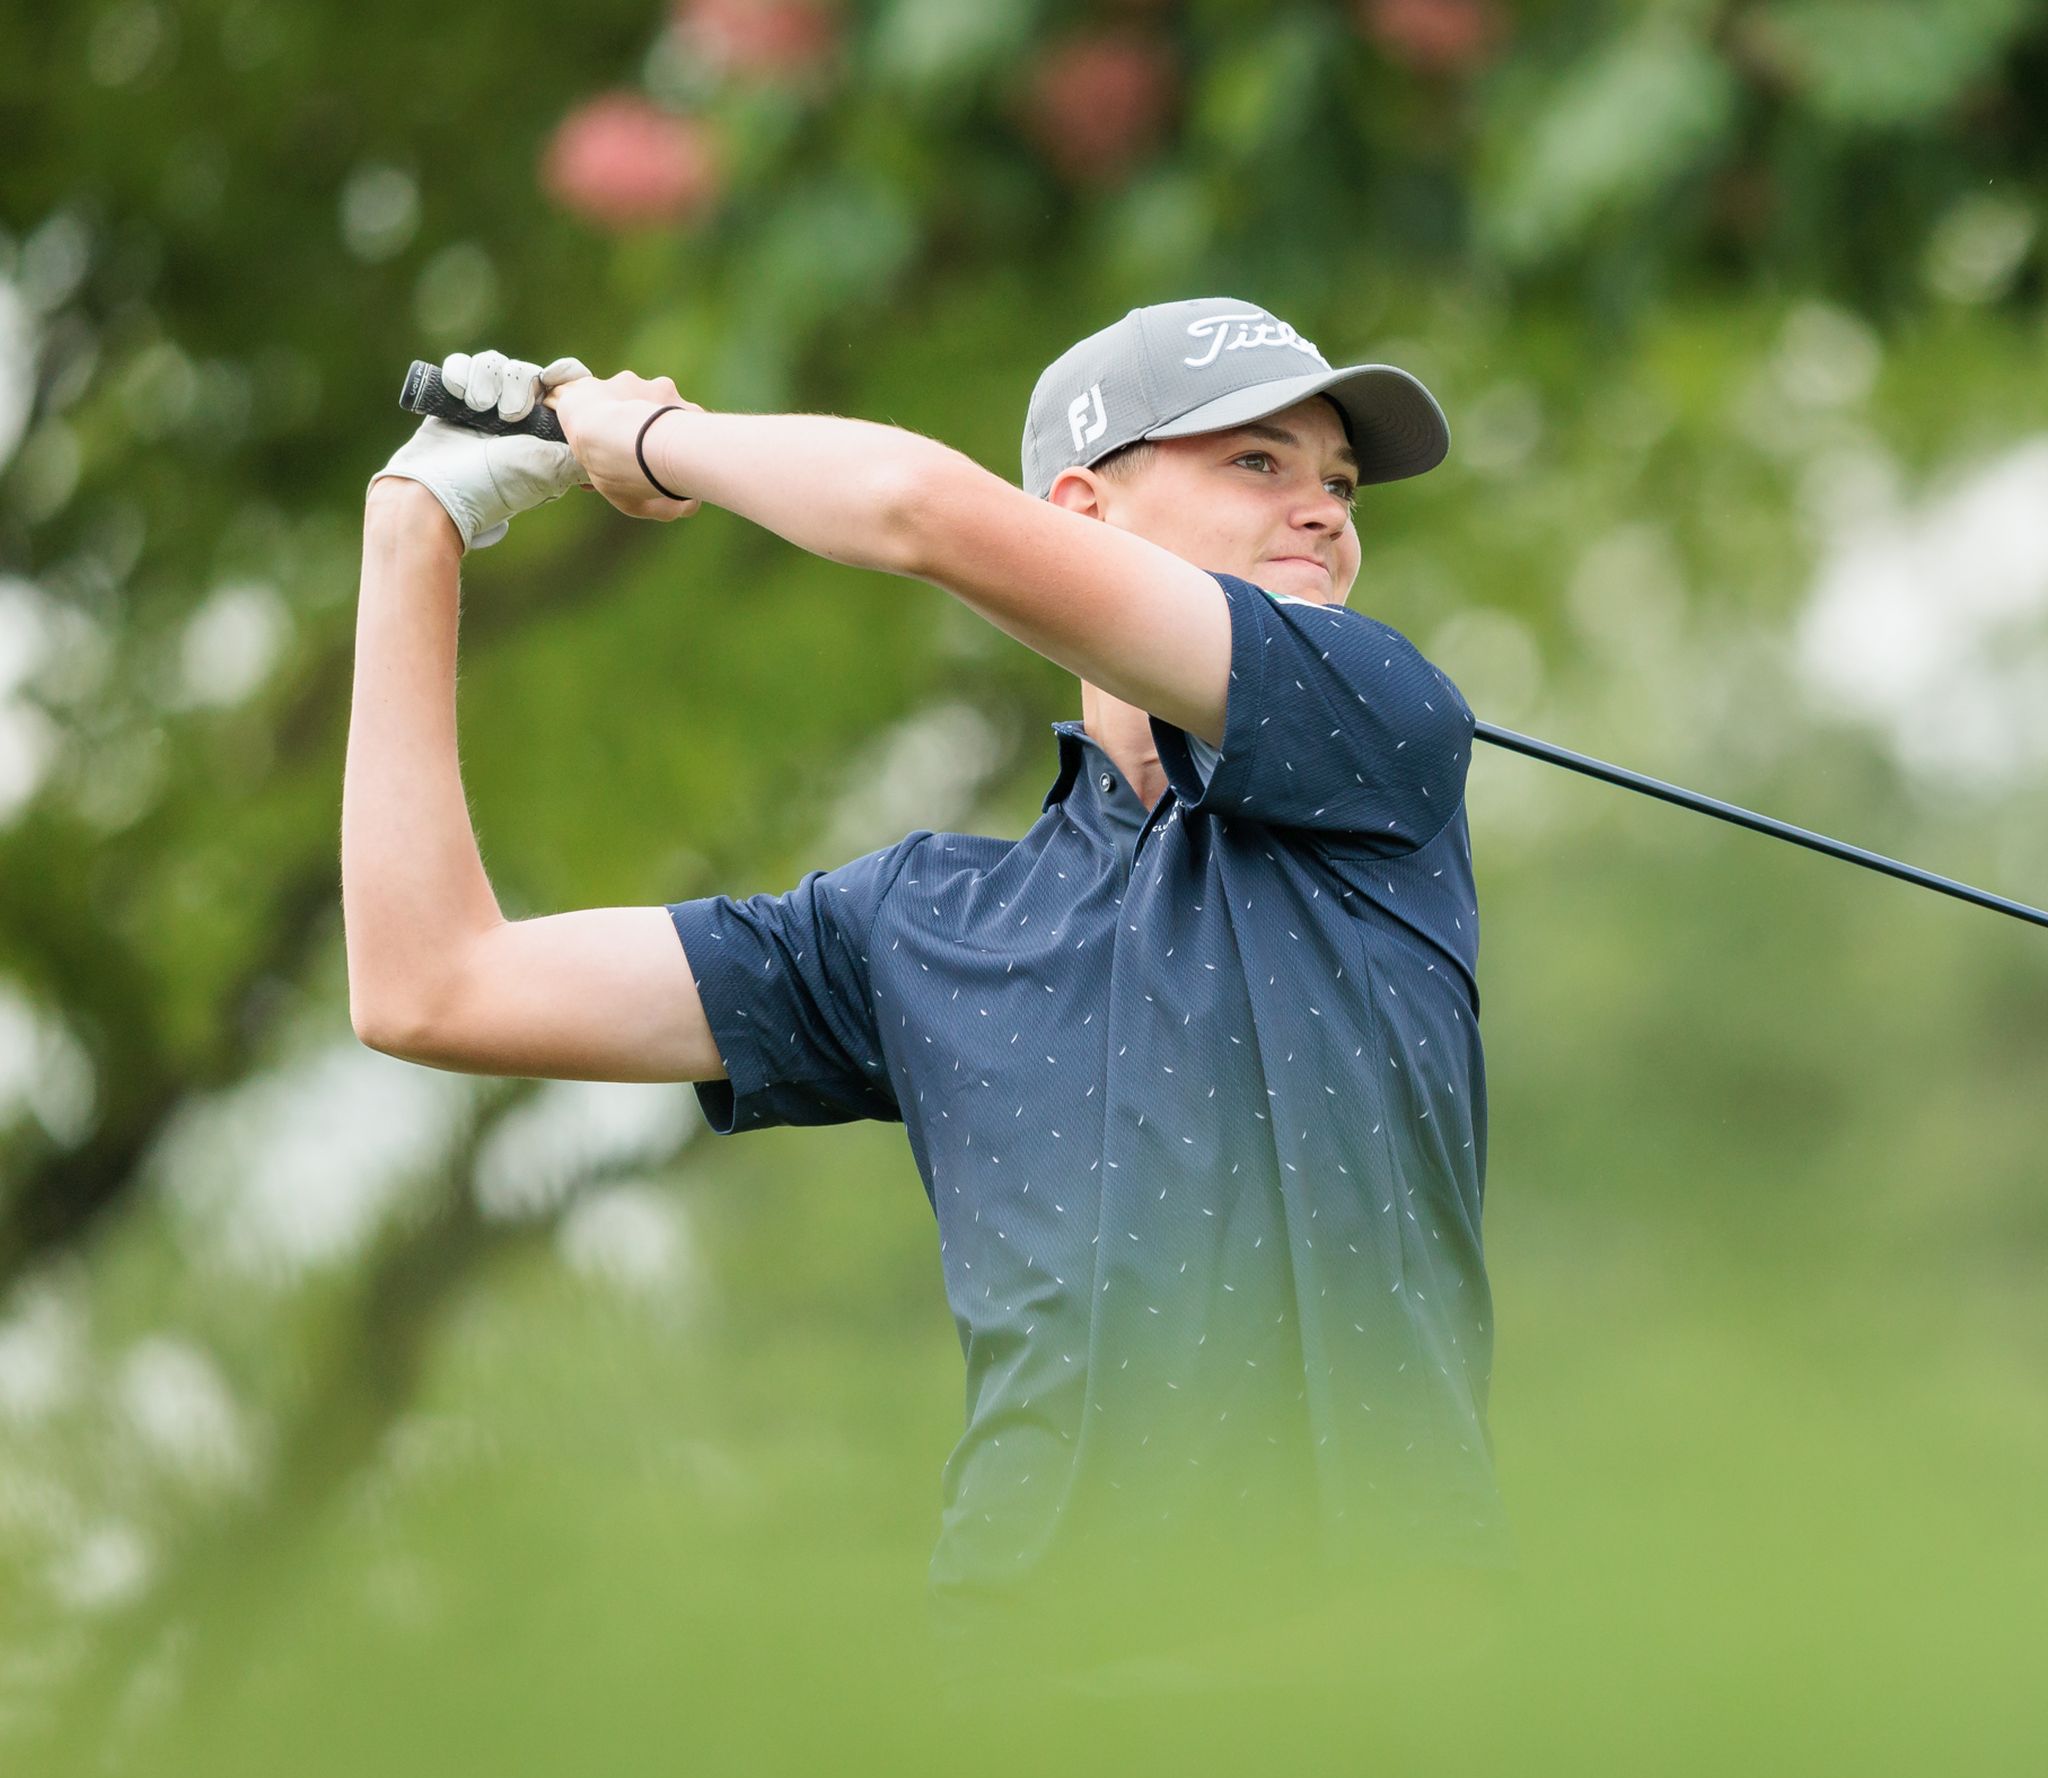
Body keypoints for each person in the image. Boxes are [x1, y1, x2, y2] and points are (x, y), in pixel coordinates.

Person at [346, 300, 1510, 1679]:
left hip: (1362, 1674)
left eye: (1339, 483)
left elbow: (915, 510)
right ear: (1082, 509)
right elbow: (432, 986)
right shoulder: (925, 922)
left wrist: (657, 438)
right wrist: (414, 521)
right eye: (1258, 463)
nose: (1323, 512)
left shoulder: (1384, 734)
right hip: (1016, 1693)